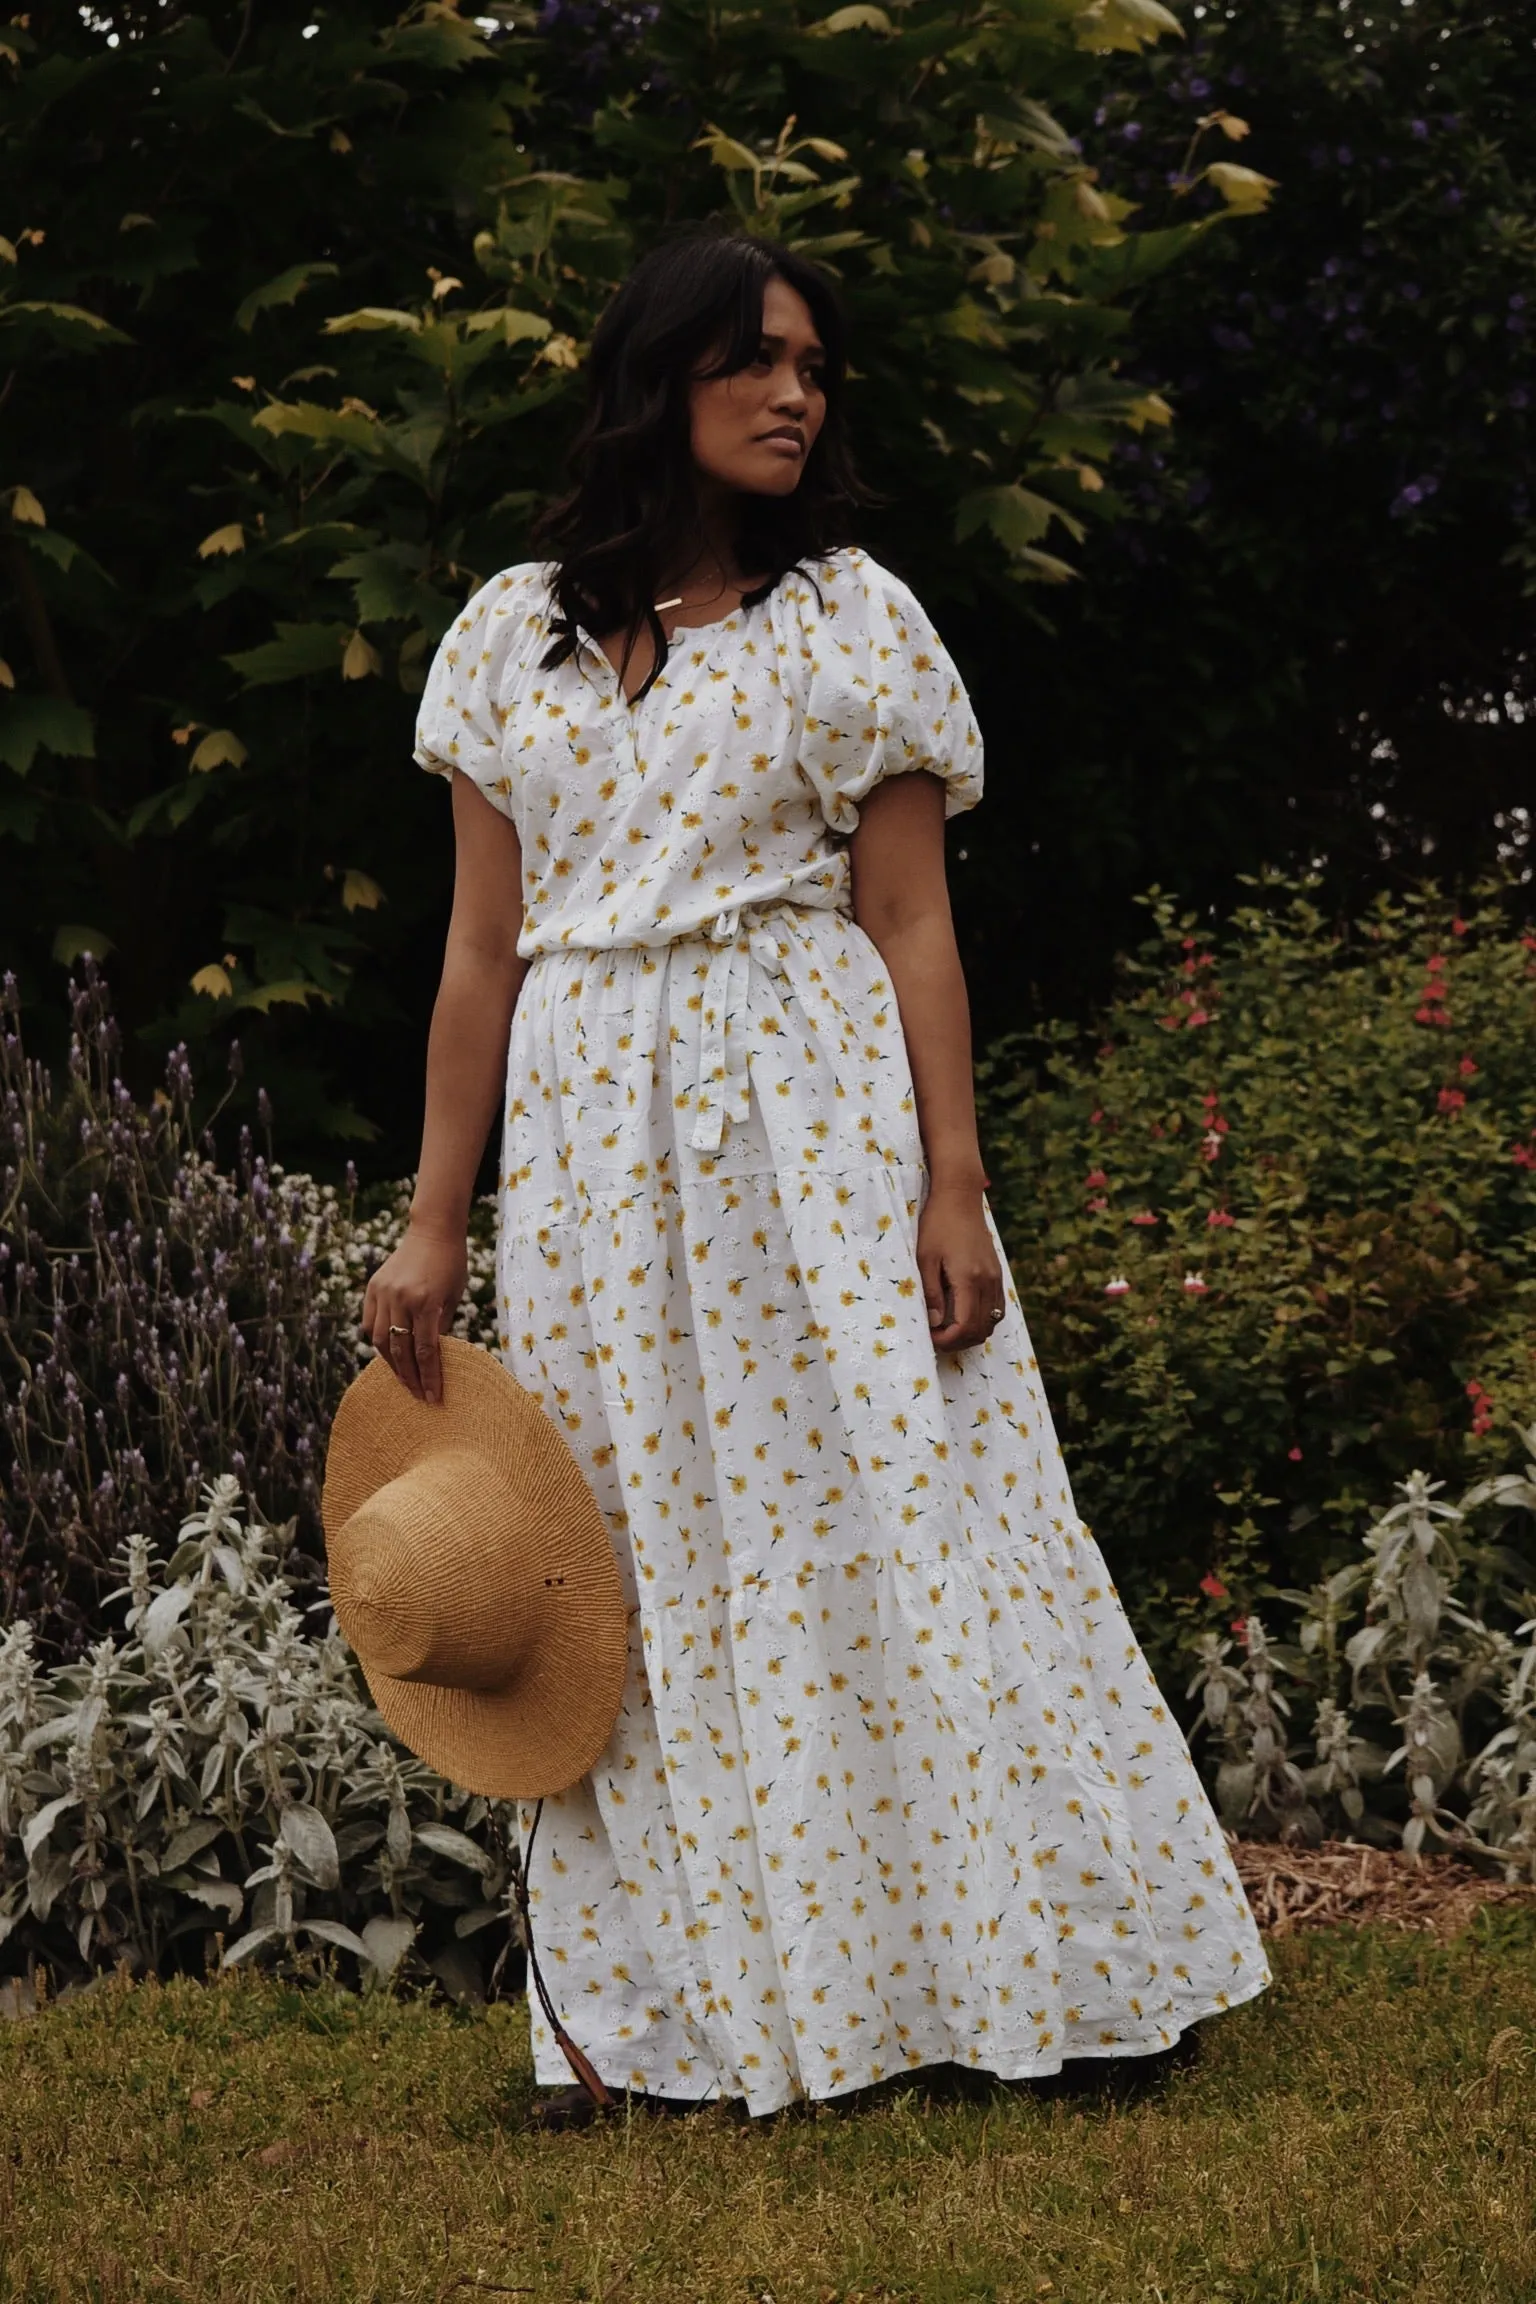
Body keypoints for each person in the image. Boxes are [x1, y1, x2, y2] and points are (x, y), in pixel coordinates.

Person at [363, 223, 1272, 2123]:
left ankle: (1030, 1976)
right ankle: (652, 2027)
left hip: (808, 1120)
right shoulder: (505, 637)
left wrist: (954, 1183)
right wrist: (437, 1218)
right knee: (631, 1564)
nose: (798, 393)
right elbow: (475, 953)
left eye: (813, 365)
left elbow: (911, 922)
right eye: (755, 361)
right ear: (657, 383)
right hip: (596, 1148)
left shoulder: (852, 619)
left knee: (899, 1524)